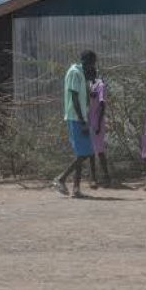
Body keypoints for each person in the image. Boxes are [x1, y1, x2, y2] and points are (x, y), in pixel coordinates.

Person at [53, 51, 97, 198]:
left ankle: (76, 189)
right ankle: (61, 179)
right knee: (84, 153)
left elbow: (84, 97)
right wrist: (82, 120)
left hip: (81, 117)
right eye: (91, 62)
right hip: (75, 117)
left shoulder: (82, 74)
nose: (93, 65)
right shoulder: (74, 72)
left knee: (85, 152)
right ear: (85, 61)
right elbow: (74, 98)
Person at [86, 73, 112, 188]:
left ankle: (106, 177)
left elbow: (102, 105)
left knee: (99, 150)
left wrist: (99, 124)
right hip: (91, 121)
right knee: (91, 150)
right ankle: (93, 178)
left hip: (97, 122)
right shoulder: (90, 84)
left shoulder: (101, 85)